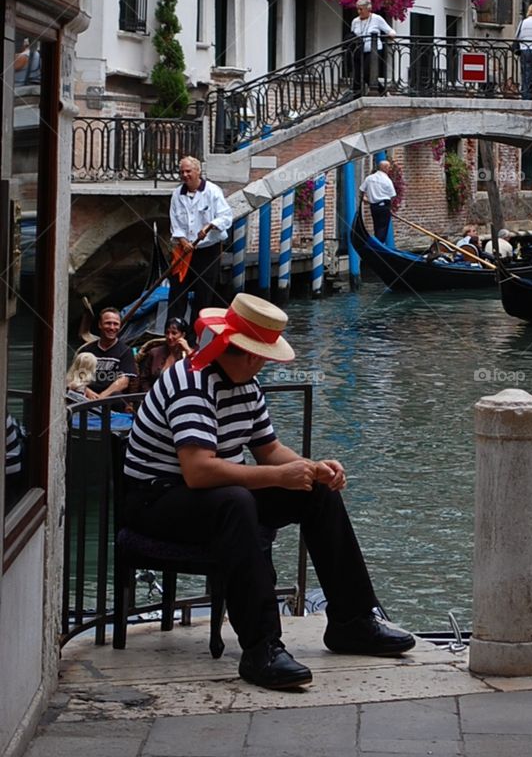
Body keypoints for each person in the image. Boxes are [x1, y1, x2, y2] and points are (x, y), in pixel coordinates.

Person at [123, 293, 415, 690]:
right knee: (236, 501)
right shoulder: (191, 382)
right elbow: (198, 471)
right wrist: (279, 477)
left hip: (205, 495)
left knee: (318, 492)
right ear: (239, 348)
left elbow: (269, 450)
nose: (262, 361)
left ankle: (352, 621)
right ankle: (261, 648)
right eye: (257, 354)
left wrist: (313, 469)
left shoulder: (247, 384)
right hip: (155, 500)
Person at [168, 157, 234, 323]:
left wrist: (209, 226)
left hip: (208, 251)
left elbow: (226, 217)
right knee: (177, 292)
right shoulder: (177, 194)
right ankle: (173, 331)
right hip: (183, 250)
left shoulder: (212, 191)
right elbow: (175, 222)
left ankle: (196, 333)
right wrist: (183, 241)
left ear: (198, 171)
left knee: (203, 293)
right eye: (182, 172)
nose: (185, 175)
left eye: (188, 171)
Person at [85, 308, 138, 401]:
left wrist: (101, 397)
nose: (112, 328)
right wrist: (87, 391)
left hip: (111, 400)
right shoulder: (87, 350)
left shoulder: (126, 351)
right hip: (86, 397)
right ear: (100, 325)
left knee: (116, 395)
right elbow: (76, 378)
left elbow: (123, 382)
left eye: (116, 324)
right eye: (108, 323)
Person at [349, 0, 395, 93]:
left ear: (368, 9)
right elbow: (353, 34)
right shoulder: (355, 21)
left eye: (361, 9)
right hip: (359, 51)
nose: (359, 12)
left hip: (373, 51)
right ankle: (356, 95)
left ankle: (381, 91)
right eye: (358, 9)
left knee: (367, 73)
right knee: (357, 75)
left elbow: (389, 30)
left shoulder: (377, 19)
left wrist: (391, 35)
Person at [137, 318, 191, 393]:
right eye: (167, 333)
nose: (169, 337)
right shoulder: (154, 352)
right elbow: (143, 379)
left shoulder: (188, 354)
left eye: (174, 333)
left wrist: (188, 350)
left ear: (183, 335)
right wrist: (151, 395)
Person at [359, 160, 397, 243]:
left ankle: (377, 244)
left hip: (374, 206)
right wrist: (390, 208)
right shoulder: (387, 180)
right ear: (385, 168)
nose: (390, 169)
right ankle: (379, 246)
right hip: (384, 207)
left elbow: (361, 190)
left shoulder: (369, 178)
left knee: (376, 227)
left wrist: (365, 199)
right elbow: (393, 195)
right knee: (382, 229)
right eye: (389, 167)